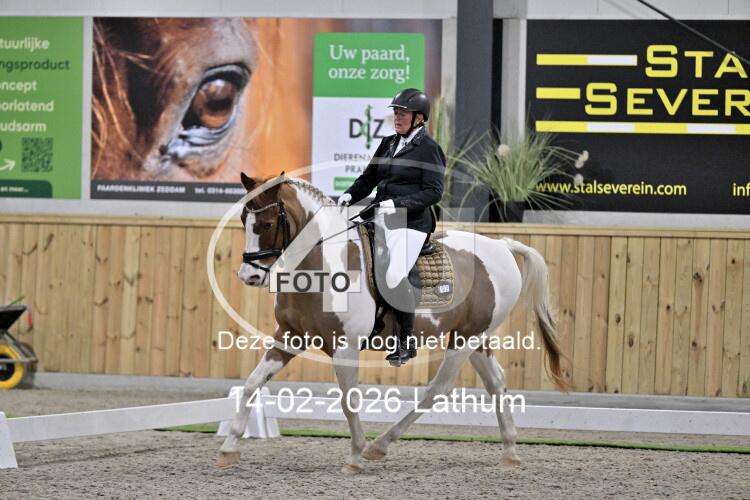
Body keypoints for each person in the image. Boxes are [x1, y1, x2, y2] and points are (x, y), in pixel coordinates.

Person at [336, 88, 446, 366]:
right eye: (395, 113)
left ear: (419, 118)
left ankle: (406, 341)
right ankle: (369, 319)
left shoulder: (429, 149)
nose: (397, 117)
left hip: (411, 222)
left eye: (403, 114)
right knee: (351, 255)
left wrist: (397, 204)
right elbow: (368, 179)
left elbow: (433, 192)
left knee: (394, 274)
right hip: (379, 215)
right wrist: (349, 195)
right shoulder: (387, 143)